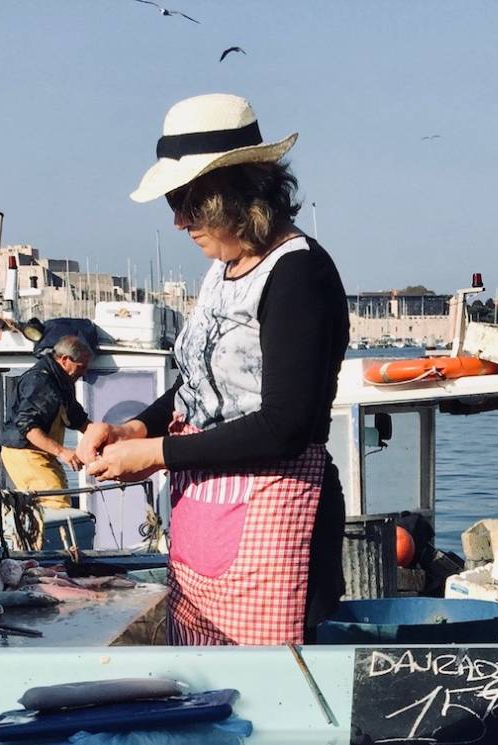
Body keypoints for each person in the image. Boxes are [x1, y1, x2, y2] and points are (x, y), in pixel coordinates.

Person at [82, 93, 349, 646]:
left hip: (277, 518)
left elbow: (286, 424)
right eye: (173, 203)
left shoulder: (300, 274)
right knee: (204, 686)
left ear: (243, 193)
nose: (179, 221)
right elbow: (199, 386)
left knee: (273, 700)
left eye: (189, 203)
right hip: (206, 517)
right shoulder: (221, 270)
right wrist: (136, 429)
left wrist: (155, 454)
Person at [0, 328, 94, 501]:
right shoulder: (41, 381)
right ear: (65, 360)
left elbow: (77, 418)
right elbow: (27, 425)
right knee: (55, 502)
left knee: (59, 496)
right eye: (81, 367)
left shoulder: (62, 381)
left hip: (44, 453)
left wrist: (104, 439)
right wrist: (63, 452)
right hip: (25, 453)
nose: (84, 372)